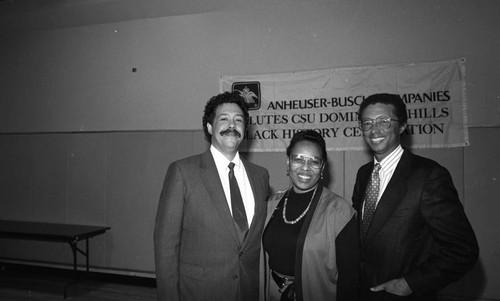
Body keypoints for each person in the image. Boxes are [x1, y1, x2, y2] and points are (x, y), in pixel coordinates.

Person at [352, 93, 479, 301]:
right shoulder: (364, 174)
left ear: (402, 126)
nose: (374, 129)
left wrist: (410, 283)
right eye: (367, 123)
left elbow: (463, 250)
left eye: (383, 121)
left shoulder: (429, 175)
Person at [153, 91, 270, 301]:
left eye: (238, 120)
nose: (232, 125)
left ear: (245, 128)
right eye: (224, 119)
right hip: (199, 292)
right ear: (209, 127)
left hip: (247, 291)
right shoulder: (182, 172)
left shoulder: (260, 176)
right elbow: (165, 246)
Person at [260, 130, 359, 301]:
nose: (305, 167)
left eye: (314, 161)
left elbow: (350, 279)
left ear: (322, 167)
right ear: (288, 162)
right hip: (271, 293)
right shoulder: (271, 204)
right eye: (298, 159)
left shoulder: (339, 211)